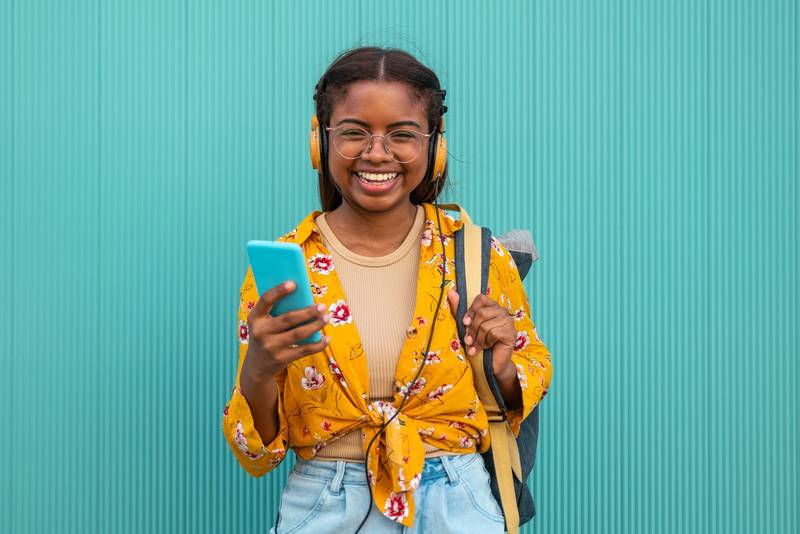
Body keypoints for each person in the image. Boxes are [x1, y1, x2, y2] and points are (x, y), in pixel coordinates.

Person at [222, 46, 553, 534]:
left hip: (457, 503)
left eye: (402, 135)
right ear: (321, 141)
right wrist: (258, 370)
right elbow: (256, 454)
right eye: (354, 132)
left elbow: (531, 372)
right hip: (325, 503)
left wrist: (502, 367)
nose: (377, 153)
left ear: (435, 146)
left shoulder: (479, 256)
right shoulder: (286, 268)